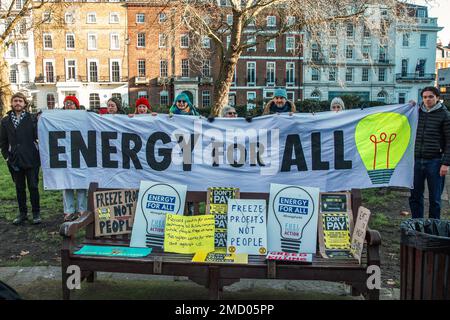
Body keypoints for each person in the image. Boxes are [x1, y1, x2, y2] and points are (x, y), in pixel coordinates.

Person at [409, 86, 450, 219]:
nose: (427, 99)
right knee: (415, 196)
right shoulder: (417, 112)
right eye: (425, 97)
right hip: (416, 160)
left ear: (437, 98)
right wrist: (410, 107)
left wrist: (445, 164)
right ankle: (417, 224)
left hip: (435, 161)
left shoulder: (445, 115)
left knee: (435, 199)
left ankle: (433, 227)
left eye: (431, 96)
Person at [0, 93, 41, 225]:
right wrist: (6, 157)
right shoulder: (5, 121)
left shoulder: (32, 118)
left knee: (33, 186)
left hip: (31, 158)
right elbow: (3, 141)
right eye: (15, 101)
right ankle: (22, 214)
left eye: (20, 101)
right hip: (15, 160)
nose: (18, 103)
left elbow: (38, 136)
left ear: (24, 104)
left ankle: (36, 213)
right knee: (19, 188)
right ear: (12, 103)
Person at [62, 96, 88, 221]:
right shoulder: (58, 118)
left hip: (81, 152)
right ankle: (69, 210)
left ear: (76, 106)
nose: (68, 105)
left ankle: (82, 209)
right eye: (66, 103)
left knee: (81, 182)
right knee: (66, 182)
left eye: (71, 103)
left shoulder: (83, 117)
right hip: (65, 153)